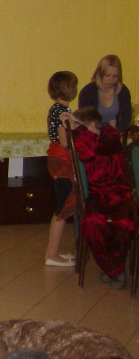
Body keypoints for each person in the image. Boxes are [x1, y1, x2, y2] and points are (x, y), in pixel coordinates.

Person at [72, 107, 135, 287]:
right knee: (92, 222)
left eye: (81, 126)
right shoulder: (84, 141)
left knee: (125, 223)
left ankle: (113, 267)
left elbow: (96, 149)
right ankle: (115, 269)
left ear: (92, 126)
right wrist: (77, 127)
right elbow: (87, 153)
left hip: (120, 193)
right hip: (97, 195)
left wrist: (79, 128)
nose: (77, 130)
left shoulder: (111, 136)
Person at [43, 71, 78, 268]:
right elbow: (65, 141)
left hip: (58, 159)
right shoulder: (61, 112)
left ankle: (53, 251)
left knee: (61, 207)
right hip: (62, 162)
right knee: (61, 209)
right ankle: (52, 254)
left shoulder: (57, 109)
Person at [78, 55, 132, 134]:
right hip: (93, 134)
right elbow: (85, 119)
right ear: (100, 73)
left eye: (115, 76)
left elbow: (126, 118)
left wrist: (117, 128)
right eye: (107, 75)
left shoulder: (123, 91)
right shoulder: (88, 91)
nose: (111, 80)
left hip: (115, 135)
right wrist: (106, 128)